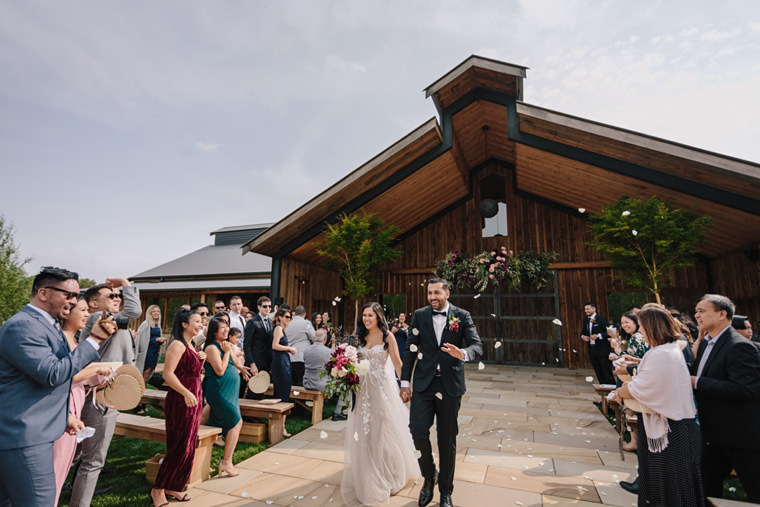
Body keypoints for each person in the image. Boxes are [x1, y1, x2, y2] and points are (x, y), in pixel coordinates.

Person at [0, 266, 109, 507]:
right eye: (68, 295)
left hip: (33, 431)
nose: (74, 301)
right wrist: (94, 340)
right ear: (43, 293)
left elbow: (38, 382)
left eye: (76, 296)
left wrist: (64, 416)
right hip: (25, 438)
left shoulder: (47, 325)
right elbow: (52, 373)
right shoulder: (24, 326)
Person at [400, 278, 483, 507]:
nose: (432, 297)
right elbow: (410, 350)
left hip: (450, 387)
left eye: (437, 292)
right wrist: (404, 382)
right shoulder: (420, 315)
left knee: (446, 440)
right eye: (429, 293)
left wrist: (463, 353)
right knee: (417, 431)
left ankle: (446, 491)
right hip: (424, 385)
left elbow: (477, 346)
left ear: (447, 293)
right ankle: (429, 476)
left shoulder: (462, 316)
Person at [611, 304, 703, 506]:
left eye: (642, 326)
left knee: (668, 486)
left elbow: (641, 387)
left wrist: (619, 392)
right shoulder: (667, 349)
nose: (640, 330)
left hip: (669, 431)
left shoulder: (662, 353)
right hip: (672, 425)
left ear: (652, 327)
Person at [71, 277, 141, 507]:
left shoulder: (109, 321)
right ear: (93, 304)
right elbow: (135, 310)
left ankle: (71, 490)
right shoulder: (99, 318)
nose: (117, 298)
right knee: (93, 460)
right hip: (100, 397)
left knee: (79, 453)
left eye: (118, 295)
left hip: (97, 393)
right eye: (111, 295)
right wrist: (125, 283)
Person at [341, 302, 419, 506]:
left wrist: (405, 387)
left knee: (381, 432)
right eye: (364, 316)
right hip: (360, 391)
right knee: (364, 434)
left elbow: (397, 363)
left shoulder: (387, 336)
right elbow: (352, 363)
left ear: (378, 317)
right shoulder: (359, 337)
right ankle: (367, 475)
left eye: (370, 316)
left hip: (381, 391)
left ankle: (387, 473)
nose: (367, 319)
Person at [691, 294, 760, 503]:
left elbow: (745, 389)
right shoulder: (706, 343)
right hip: (712, 432)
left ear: (722, 314)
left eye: (702, 311)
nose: (697, 315)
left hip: (739, 434)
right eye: (696, 311)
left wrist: (697, 383)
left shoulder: (739, 346)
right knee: (705, 485)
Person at [53, 296, 114, 505]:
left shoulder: (75, 341)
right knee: (53, 469)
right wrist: (96, 368)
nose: (88, 314)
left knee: (63, 467)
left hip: (77, 405)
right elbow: (64, 375)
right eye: (83, 309)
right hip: (62, 408)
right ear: (67, 311)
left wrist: (97, 379)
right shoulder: (59, 340)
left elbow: (80, 377)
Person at [150, 309, 206, 507]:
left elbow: (192, 372)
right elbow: (168, 375)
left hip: (194, 399)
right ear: (184, 324)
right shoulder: (177, 344)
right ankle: (157, 489)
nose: (201, 325)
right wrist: (186, 393)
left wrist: (202, 359)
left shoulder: (192, 345)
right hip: (181, 400)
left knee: (189, 446)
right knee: (179, 446)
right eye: (197, 321)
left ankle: (174, 485)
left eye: (202, 321)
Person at [202, 318, 242, 477]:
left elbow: (235, 362)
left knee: (214, 425)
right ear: (214, 331)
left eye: (227, 327)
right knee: (236, 421)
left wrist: (232, 353)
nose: (227, 331)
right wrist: (226, 352)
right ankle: (226, 462)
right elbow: (219, 370)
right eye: (222, 329)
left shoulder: (224, 345)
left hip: (230, 391)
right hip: (219, 390)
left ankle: (206, 463)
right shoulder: (212, 347)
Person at [303, 329, 347, 421]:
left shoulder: (306, 350)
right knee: (345, 386)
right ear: (325, 339)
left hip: (307, 383)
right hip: (321, 385)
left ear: (315, 338)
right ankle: (337, 413)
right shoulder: (328, 352)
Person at [270, 308, 296, 437]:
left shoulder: (280, 329)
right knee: (282, 395)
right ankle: (280, 428)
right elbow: (275, 345)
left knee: (282, 393)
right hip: (280, 364)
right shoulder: (278, 329)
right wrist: (289, 348)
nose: (288, 319)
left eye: (290, 317)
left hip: (282, 362)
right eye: (286, 316)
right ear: (279, 317)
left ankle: (280, 427)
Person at [581, 302, 614, 385]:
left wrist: (598, 336)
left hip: (603, 349)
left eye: (588, 309)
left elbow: (610, 332)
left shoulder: (601, 319)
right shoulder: (586, 320)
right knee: (598, 371)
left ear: (594, 309)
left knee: (606, 371)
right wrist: (583, 337)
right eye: (585, 309)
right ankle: (603, 389)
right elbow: (583, 332)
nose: (586, 311)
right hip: (592, 349)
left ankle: (612, 389)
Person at [136, 304, 165, 382]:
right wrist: (156, 339)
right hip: (147, 353)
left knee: (148, 375)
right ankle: (139, 392)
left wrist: (160, 342)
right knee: (144, 374)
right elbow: (142, 340)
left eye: (158, 311)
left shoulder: (157, 325)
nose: (156, 313)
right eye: (154, 311)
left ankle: (142, 391)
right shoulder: (145, 324)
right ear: (150, 313)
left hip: (155, 352)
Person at [243, 296, 272, 378]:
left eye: (269, 306)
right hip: (256, 362)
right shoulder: (252, 322)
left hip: (267, 363)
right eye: (265, 306)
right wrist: (252, 363)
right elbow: (247, 345)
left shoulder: (270, 322)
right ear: (259, 307)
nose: (268, 308)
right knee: (254, 389)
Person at [287, 305, 316, 387]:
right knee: (301, 381)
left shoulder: (288, 322)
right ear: (305, 314)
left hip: (288, 356)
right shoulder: (306, 323)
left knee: (292, 381)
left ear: (295, 313)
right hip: (300, 356)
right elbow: (314, 337)